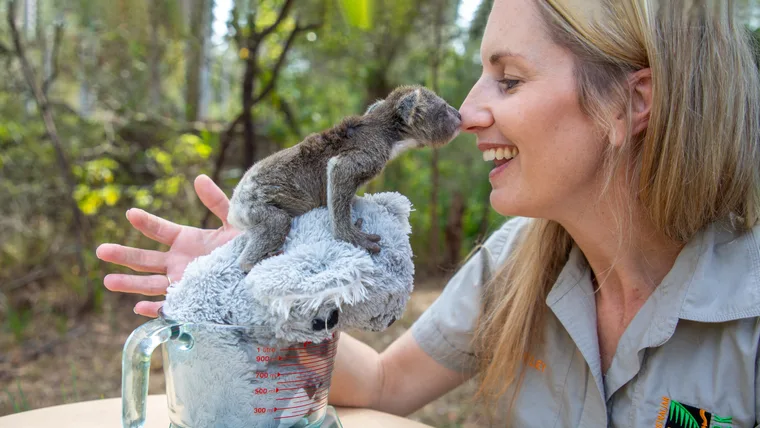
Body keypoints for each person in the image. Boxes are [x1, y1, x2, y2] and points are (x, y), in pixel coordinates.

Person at [96, 0, 760, 425]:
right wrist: (251, 276)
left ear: (632, 103)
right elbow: (386, 383)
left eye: (508, 79)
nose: (469, 112)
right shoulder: (517, 261)